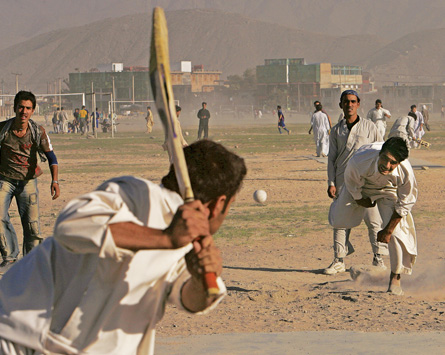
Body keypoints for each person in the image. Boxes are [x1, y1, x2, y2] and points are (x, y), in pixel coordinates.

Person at [0, 139, 246, 354]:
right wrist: (166, 237)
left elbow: (191, 300)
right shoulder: (133, 193)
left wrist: (201, 280)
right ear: (219, 204)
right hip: (19, 336)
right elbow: (71, 227)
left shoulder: (189, 243)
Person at [329, 137, 417, 295]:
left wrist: (388, 230)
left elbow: (405, 203)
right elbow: (351, 184)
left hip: (388, 189)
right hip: (362, 187)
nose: (387, 165)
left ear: (399, 163)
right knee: (338, 220)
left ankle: (395, 278)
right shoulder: (359, 160)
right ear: (380, 152)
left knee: (396, 234)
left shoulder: (405, 171)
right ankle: (346, 242)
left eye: (393, 163)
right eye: (385, 158)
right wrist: (361, 201)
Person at [324, 89, 385, 275]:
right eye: (346, 101)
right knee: (341, 221)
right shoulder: (336, 130)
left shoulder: (370, 127)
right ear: (340, 104)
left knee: (374, 221)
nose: (349, 105)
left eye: (352, 101)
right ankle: (338, 260)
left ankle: (378, 258)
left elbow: (380, 152)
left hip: (368, 182)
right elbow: (331, 159)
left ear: (358, 104)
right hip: (344, 181)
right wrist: (331, 183)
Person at [0, 91, 60, 270]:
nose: (23, 111)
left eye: (28, 108)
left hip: (28, 181)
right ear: (14, 108)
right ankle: (9, 258)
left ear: (33, 110)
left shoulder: (37, 131)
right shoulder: (3, 129)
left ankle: (32, 263)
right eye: (20, 107)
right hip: (5, 180)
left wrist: (55, 181)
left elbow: (52, 157)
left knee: (32, 225)